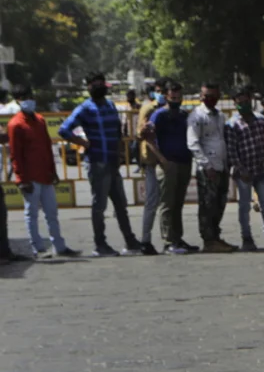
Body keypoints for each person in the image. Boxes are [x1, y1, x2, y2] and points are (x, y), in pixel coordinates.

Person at [59, 73, 141, 256]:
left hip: (112, 162)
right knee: (99, 205)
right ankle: (100, 244)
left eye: (100, 83)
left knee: (121, 204)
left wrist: (120, 151)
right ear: (88, 87)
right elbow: (63, 130)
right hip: (96, 162)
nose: (98, 86)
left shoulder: (110, 105)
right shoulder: (84, 109)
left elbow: (118, 130)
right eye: (94, 84)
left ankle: (130, 240)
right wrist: (82, 143)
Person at [8, 87, 77, 259]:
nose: (29, 100)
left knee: (51, 212)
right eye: (24, 98)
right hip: (30, 177)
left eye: (30, 96)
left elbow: (47, 147)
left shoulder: (39, 120)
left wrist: (53, 172)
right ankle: (37, 248)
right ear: (17, 100)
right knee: (31, 213)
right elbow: (15, 155)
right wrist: (21, 179)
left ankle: (59, 246)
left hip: (45, 174)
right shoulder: (15, 124)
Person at [225, 84, 264, 251]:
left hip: (261, 169)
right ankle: (246, 236)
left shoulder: (261, 120)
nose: (243, 105)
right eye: (239, 102)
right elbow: (232, 152)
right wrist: (241, 170)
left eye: (246, 101)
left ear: (250, 100)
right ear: (235, 104)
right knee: (244, 206)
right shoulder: (232, 125)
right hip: (244, 172)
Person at [144, 81, 196, 255]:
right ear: (166, 96)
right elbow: (148, 138)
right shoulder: (159, 115)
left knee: (178, 203)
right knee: (167, 204)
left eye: (179, 96)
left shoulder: (183, 115)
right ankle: (168, 241)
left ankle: (177, 238)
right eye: (173, 97)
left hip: (184, 162)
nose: (176, 99)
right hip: (168, 165)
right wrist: (162, 159)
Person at [186, 81, 234, 253]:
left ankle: (216, 236)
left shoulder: (220, 116)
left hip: (221, 166)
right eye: (206, 96)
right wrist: (206, 166)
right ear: (201, 96)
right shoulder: (197, 116)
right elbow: (193, 144)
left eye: (213, 96)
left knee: (219, 203)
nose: (210, 99)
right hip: (208, 169)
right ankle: (208, 239)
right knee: (207, 205)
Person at [135, 81, 166, 254]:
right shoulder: (149, 108)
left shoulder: (169, 108)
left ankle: (170, 238)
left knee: (167, 202)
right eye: (158, 91)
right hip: (152, 162)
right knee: (152, 202)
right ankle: (145, 240)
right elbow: (140, 134)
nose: (160, 94)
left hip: (167, 161)